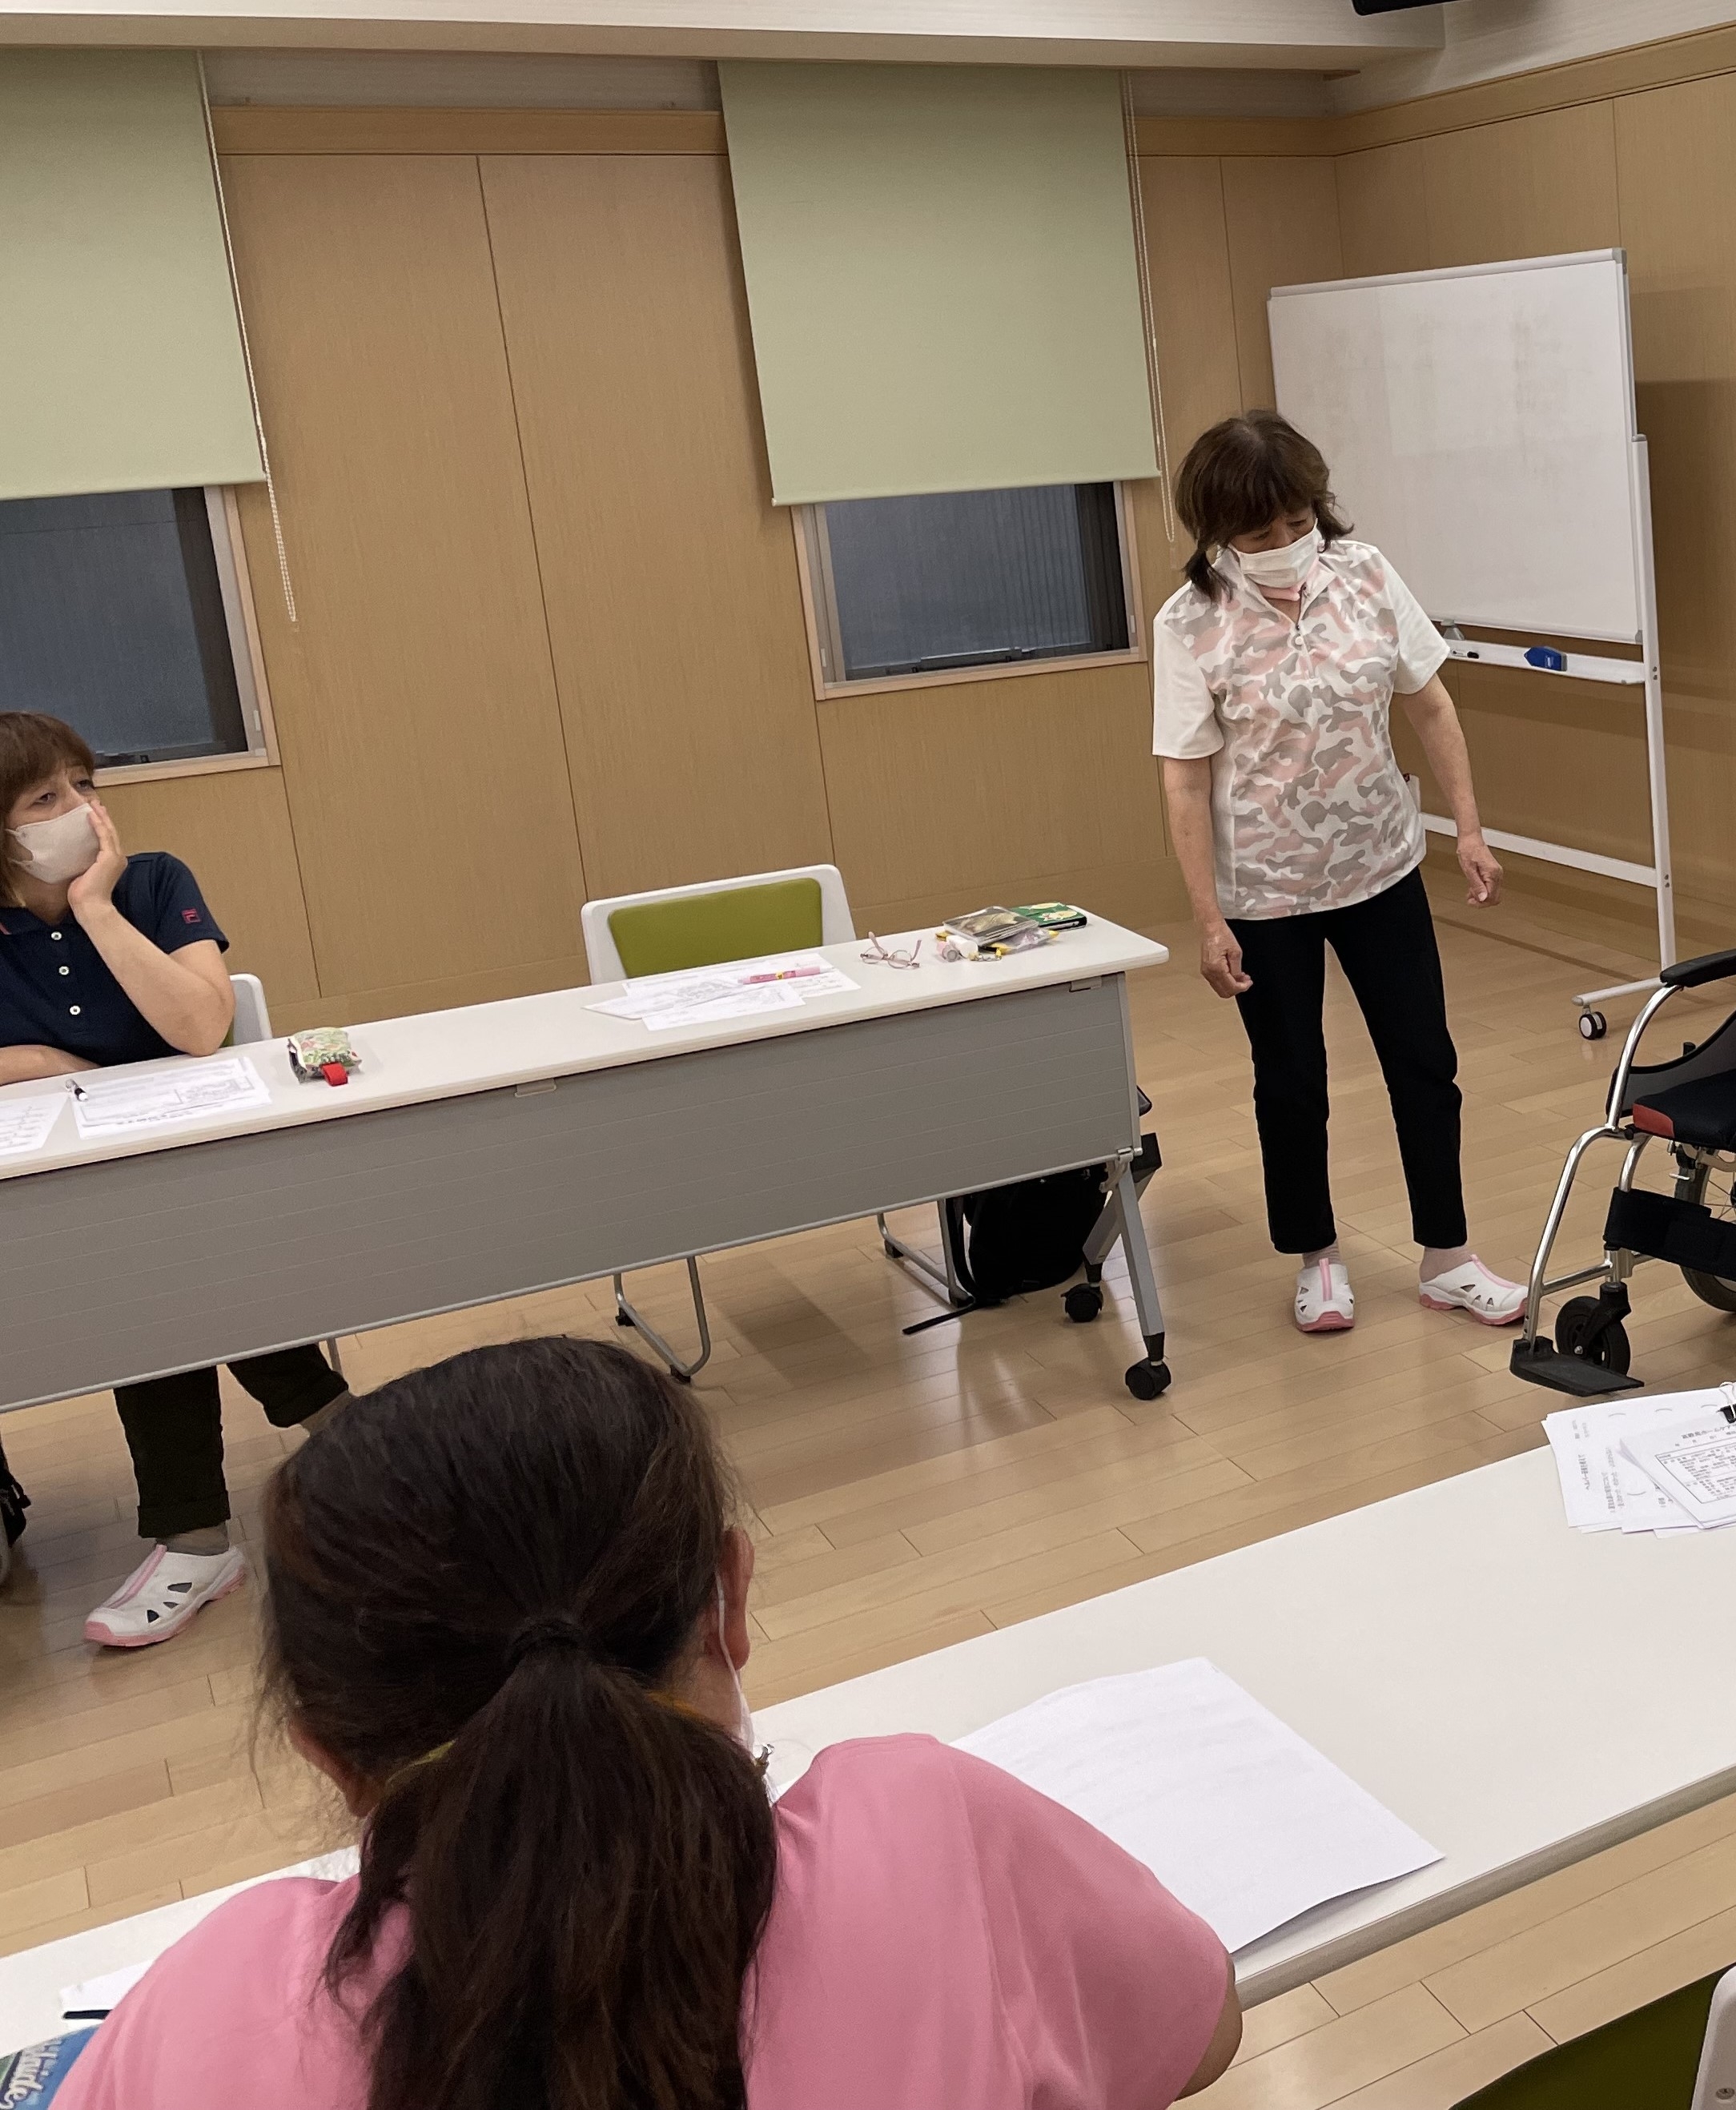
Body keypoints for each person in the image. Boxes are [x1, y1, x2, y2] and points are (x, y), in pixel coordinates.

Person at [53, 1335, 1244, 2108]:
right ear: (729, 1596)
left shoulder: (219, 2000)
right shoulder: (926, 1828)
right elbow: (1198, 2030)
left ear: (324, 1745)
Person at [1154, 411, 1527, 1336]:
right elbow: (1184, 775)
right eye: (1257, 533)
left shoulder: (1363, 574)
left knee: (1424, 1063)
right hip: (1265, 888)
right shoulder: (1188, 622)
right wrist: (1207, 918)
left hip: (1380, 865)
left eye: (1296, 522)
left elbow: (1432, 706)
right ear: (1216, 533)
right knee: (1290, 1078)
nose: (1283, 545)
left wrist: (1468, 830)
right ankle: (1316, 1258)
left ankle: (1447, 1255)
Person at [0, 711, 347, 1649]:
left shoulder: (153, 882)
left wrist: (99, 910)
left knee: (153, 1273)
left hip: (204, 1169)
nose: (82, 809)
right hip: (71, 1192)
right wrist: (32, 1060)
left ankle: (196, 1537)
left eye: (84, 783)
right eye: (46, 797)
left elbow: (199, 1027)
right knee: (149, 1262)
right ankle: (352, 1436)